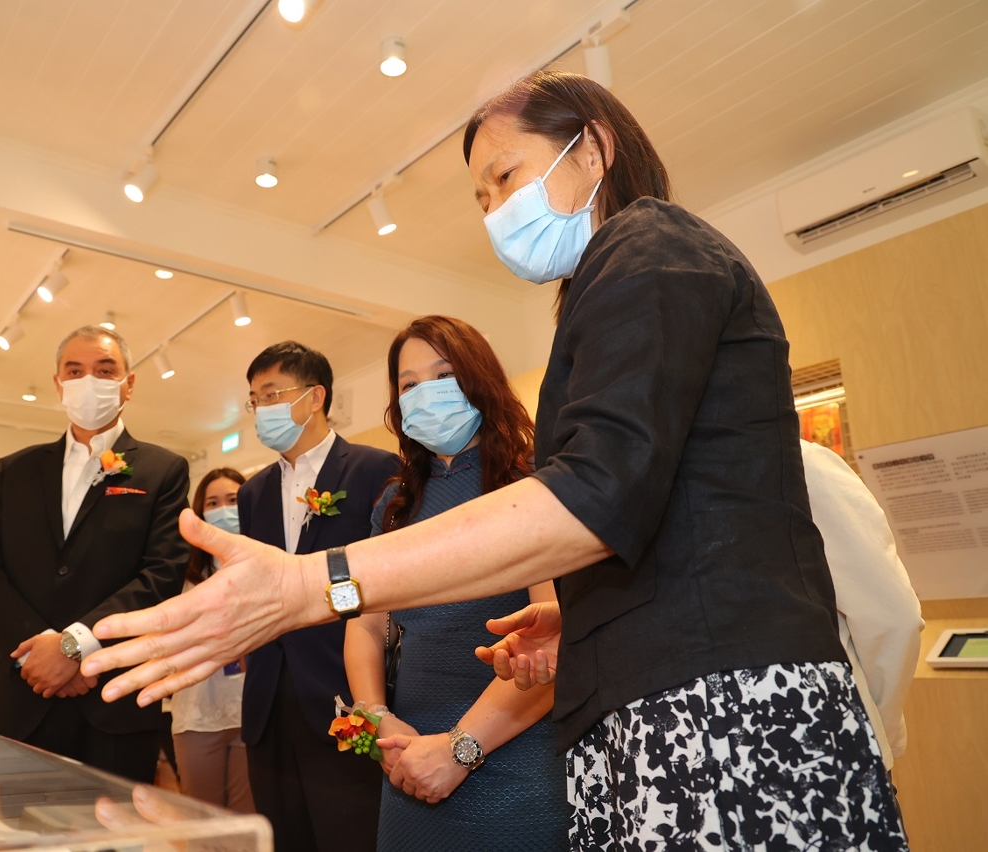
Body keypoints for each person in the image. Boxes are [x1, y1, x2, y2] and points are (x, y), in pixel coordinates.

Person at [81, 70, 909, 850]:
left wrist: (309, 584)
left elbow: (594, 497)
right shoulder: (608, 286)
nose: (495, 212)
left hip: (721, 710)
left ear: (592, 149)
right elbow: (667, 509)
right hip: (659, 706)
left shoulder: (649, 244)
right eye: (481, 197)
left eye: (505, 177)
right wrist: (578, 618)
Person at [344, 315, 565, 850]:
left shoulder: (535, 481)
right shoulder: (395, 505)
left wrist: (459, 749)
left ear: (479, 378)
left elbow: (557, 638)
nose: (427, 393)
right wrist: (378, 718)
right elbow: (365, 626)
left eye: (444, 376)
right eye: (409, 384)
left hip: (515, 750)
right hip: (408, 753)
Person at [0, 325, 190, 782]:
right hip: (26, 692)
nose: (89, 381)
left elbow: (161, 574)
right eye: (75, 371)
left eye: (105, 371)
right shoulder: (16, 470)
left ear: (128, 383)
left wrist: (75, 646)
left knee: (113, 822)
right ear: (58, 383)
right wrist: (39, 652)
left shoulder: (163, 470)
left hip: (115, 698)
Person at [235, 341, 397, 852]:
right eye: (255, 399)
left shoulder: (374, 469)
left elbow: (389, 581)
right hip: (268, 701)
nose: (262, 408)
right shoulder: (253, 492)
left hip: (341, 692)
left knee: (349, 835)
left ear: (315, 396)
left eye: (272, 394)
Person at [800, 439, 923, 770]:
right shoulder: (801, 462)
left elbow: (891, 618)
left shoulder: (803, 465)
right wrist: (882, 731)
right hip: (841, 737)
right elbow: (893, 617)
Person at [169, 467, 255, 813]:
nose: (224, 510)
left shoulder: (268, 564)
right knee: (200, 818)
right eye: (213, 503)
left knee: (245, 819)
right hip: (198, 713)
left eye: (233, 500)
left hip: (252, 712)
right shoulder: (182, 571)